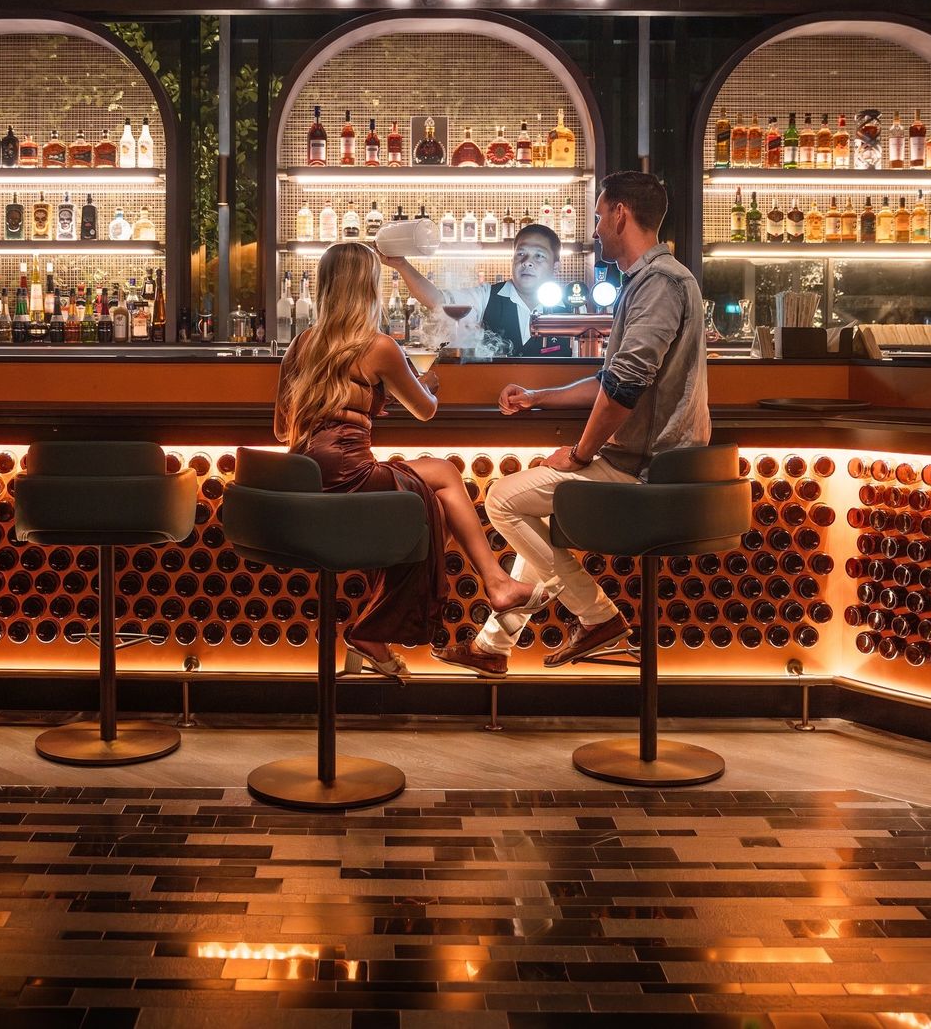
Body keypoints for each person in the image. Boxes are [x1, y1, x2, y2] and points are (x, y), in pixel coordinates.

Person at [433, 171, 711, 677]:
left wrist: (581, 454)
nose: (596, 228)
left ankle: (598, 616)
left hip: (650, 471)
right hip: (646, 460)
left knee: (501, 499)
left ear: (621, 214)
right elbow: (610, 377)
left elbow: (624, 388)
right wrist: (541, 396)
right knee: (536, 513)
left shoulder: (661, 283)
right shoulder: (648, 283)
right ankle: (493, 647)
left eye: (600, 215)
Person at [274, 242, 547, 682]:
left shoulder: (300, 344)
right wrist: (426, 382)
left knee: (433, 509)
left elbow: (281, 429)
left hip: (302, 482)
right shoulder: (378, 346)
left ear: (325, 288)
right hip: (348, 476)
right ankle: (495, 584)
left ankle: (377, 631)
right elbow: (425, 410)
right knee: (442, 474)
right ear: (369, 289)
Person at [379, 224, 572, 356]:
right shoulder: (486, 296)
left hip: (552, 405)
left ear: (556, 267)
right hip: (496, 401)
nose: (527, 262)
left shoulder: (572, 308)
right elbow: (437, 301)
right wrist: (402, 265)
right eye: (520, 254)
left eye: (539, 256)